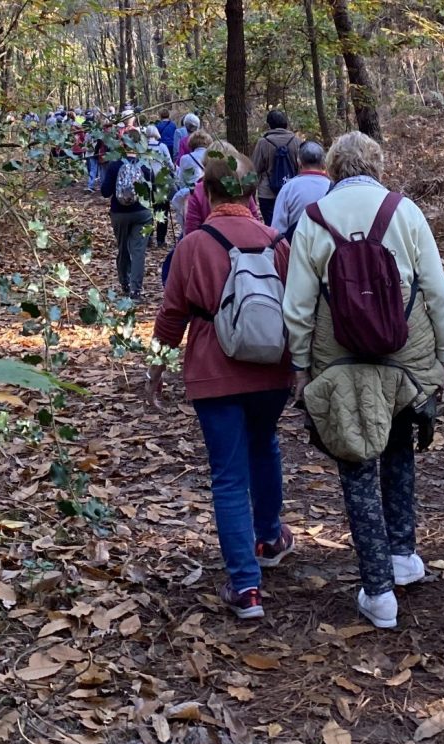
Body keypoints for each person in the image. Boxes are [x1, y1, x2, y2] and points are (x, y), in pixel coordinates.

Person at [284, 131, 444, 630]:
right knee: (400, 447)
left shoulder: (313, 219)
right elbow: (438, 292)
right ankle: (402, 555)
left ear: (332, 168)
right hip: (407, 352)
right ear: (377, 165)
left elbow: (297, 306)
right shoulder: (404, 211)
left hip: (339, 359)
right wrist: (443, 355)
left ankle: (378, 590)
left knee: (357, 460)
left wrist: (301, 365)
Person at [147, 141, 294, 619]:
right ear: (253, 192)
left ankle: (246, 587)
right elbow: (299, 308)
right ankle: (270, 536)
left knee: (229, 476)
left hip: (214, 374)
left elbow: (172, 315)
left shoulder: (192, 247)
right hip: (272, 371)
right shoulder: (276, 243)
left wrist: (156, 368)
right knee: (265, 446)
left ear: (207, 191)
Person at [101, 130, 155, 300]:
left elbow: (105, 192)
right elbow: (153, 192)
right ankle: (135, 290)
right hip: (142, 213)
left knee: (123, 248)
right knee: (139, 252)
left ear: (123, 144)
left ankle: (124, 282)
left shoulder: (115, 165)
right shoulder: (146, 165)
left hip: (119, 214)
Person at [270, 141, 330, 238]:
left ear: (299, 162)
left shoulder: (288, 188)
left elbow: (277, 229)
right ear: (323, 162)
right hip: (328, 247)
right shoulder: (332, 186)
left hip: (296, 246)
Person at [251, 109, 302, 225]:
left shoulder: (263, 143)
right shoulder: (296, 142)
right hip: (291, 192)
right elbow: (301, 169)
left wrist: (251, 194)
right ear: (286, 124)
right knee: (291, 226)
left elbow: (255, 169)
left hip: (267, 194)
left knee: (271, 227)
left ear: (269, 125)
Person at [145, 125, 176, 248]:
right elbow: (169, 162)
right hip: (161, 182)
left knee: (148, 210)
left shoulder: (142, 147)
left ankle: (149, 236)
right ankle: (161, 239)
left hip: (147, 181)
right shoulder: (161, 147)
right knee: (162, 210)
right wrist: (172, 171)